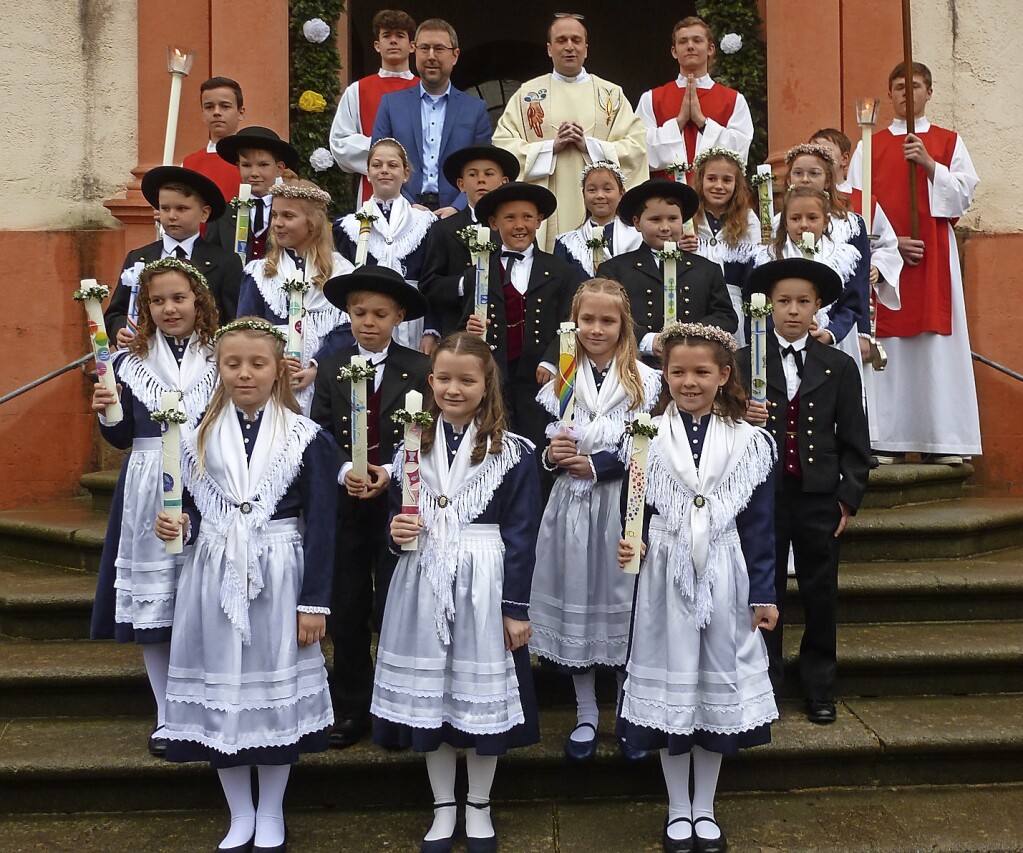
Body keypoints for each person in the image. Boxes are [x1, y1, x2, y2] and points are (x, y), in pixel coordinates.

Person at [155, 317, 337, 853]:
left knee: (273, 692)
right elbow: (186, 504)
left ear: (279, 368)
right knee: (223, 690)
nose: (244, 373)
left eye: (257, 363)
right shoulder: (193, 436)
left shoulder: (307, 437)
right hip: (212, 571)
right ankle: (239, 812)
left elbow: (324, 525)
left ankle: (272, 810)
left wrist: (315, 604)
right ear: (218, 368)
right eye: (232, 363)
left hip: (281, 572)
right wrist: (179, 524)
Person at [372, 332, 542, 853]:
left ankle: (479, 804)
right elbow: (396, 517)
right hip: (423, 576)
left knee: (480, 698)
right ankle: (443, 803)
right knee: (433, 699)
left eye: (467, 380)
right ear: (430, 382)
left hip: (485, 581)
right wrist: (396, 532)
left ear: (486, 383)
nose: (454, 388)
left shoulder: (512, 453)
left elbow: (522, 535)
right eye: (444, 378)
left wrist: (514, 608)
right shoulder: (409, 443)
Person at [616, 322, 778, 853]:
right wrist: (632, 540)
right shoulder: (644, 433)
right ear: (664, 374)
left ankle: (704, 807)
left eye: (701, 372)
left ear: (724, 375)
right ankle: (676, 808)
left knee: (711, 688)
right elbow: (633, 506)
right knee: (674, 688)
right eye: (678, 371)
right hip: (665, 567)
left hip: (725, 570)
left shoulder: (747, 440)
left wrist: (765, 592)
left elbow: (758, 523)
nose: (689, 381)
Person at [89, 259, 219, 757]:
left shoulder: (221, 356)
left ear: (198, 302)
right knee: (156, 603)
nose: (169, 308)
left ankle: (205, 702)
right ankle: (166, 711)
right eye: (157, 301)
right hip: (147, 483)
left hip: (209, 480)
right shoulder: (126, 364)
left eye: (178, 299)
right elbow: (123, 436)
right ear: (145, 308)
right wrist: (107, 410)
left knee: (203, 596)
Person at [530, 279, 661, 763]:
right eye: (588, 320)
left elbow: (654, 446)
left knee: (623, 602)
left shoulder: (647, 382)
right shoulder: (561, 380)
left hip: (624, 503)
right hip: (571, 504)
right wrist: (553, 454)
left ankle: (627, 707)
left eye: (608, 321)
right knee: (577, 599)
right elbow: (542, 450)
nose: (597, 329)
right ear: (574, 323)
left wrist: (602, 464)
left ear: (623, 324)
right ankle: (586, 711)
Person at [740, 258, 870, 725]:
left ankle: (819, 685)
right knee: (763, 589)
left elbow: (856, 441)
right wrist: (740, 420)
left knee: (820, 591)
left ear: (818, 307)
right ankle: (763, 681)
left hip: (817, 497)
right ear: (767, 306)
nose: (793, 311)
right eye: (783, 301)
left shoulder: (838, 365)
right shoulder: (743, 362)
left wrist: (847, 498)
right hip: (761, 498)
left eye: (803, 302)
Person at [310, 266, 431, 750]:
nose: (369, 322)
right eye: (360, 313)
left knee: (396, 604)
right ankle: (352, 705)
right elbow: (317, 433)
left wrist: (390, 471)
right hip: (346, 503)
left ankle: (398, 707)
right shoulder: (333, 364)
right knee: (348, 604)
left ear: (399, 316)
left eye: (380, 314)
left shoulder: (420, 369)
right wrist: (345, 471)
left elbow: (427, 434)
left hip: (399, 502)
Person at [848, 61, 981, 464]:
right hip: (887, 263)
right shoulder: (868, 145)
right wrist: (891, 244)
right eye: (900, 87)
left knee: (935, 347)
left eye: (917, 86)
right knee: (887, 344)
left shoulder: (947, 141)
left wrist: (928, 164)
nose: (909, 93)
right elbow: (857, 203)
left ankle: (942, 441)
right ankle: (887, 439)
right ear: (890, 95)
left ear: (930, 92)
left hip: (934, 259)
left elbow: (963, 196)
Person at [493, 14, 648, 251]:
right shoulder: (528, 94)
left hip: (600, 205)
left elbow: (636, 147)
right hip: (547, 204)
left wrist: (590, 146)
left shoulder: (610, 94)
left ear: (586, 48)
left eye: (576, 40)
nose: (569, 47)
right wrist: (548, 148)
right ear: (549, 48)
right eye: (561, 40)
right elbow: (503, 145)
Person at [462, 182, 578, 451]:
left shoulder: (561, 272)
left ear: (539, 221)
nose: (519, 225)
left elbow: (570, 323)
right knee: (496, 442)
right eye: (509, 218)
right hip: (495, 375)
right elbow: (463, 325)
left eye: (527, 217)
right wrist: (470, 328)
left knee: (537, 443)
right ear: (493, 222)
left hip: (540, 377)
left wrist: (552, 361)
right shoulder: (478, 272)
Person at [236, 178, 355, 414]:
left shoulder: (342, 271)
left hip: (324, 378)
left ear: (312, 224)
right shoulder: (260, 272)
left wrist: (316, 366)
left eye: (288, 217)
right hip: (273, 376)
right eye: (275, 215)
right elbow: (246, 327)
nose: (278, 224)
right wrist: (276, 361)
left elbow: (346, 328)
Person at [596, 179, 736, 367]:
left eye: (672, 219)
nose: (665, 227)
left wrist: (689, 335)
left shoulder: (707, 269)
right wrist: (647, 340)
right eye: (655, 220)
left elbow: (726, 317)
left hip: (693, 366)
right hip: (635, 366)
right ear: (637, 223)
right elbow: (604, 316)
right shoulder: (615, 269)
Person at [105, 166, 242, 340]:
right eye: (165, 208)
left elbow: (234, 316)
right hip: (149, 355)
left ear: (204, 213)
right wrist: (119, 330)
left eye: (182, 209)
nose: (172, 216)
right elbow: (116, 312)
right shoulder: (139, 258)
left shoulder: (225, 261)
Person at [753, 186, 866, 397]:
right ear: (785, 222)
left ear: (825, 221)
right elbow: (759, 305)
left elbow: (852, 304)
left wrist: (830, 333)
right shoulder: (768, 257)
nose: (804, 224)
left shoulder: (844, 256)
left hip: (833, 344)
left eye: (812, 217)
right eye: (796, 218)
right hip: (781, 344)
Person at [373, 18, 491, 215]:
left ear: (455, 55)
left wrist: (457, 207)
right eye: (424, 48)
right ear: (414, 50)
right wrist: (407, 204)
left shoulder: (474, 109)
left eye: (439, 49)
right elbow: (378, 160)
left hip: (457, 215)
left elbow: (483, 166)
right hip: (402, 211)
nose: (431, 56)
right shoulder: (391, 104)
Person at [334, 138, 437, 351]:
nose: (384, 171)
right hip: (366, 319)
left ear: (405, 173)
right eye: (377, 165)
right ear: (368, 172)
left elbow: (432, 280)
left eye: (392, 165)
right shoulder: (347, 227)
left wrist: (431, 329)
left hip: (412, 317)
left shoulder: (425, 223)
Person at [419, 144, 519, 339]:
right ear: (461, 185)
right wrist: (465, 283)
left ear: (504, 181)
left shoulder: (516, 229)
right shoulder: (444, 229)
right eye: (472, 175)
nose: (481, 179)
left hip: (507, 331)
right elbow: (429, 285)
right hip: (458, 332)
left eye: (489, 174)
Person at [637, 17, 754, 181]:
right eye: (683, 41)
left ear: (710, 49)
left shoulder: (733, 100)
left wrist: (702, 122)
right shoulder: (651, 99)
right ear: (674, 51)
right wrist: (679, 121)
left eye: (697, 40)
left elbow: (739, 151)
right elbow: (640, 150)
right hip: (665, 197)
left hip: (714, 197)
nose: (690, 46)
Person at [330, 9, 419, 204]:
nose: (393, 41)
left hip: (420, 189)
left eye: (400, 36)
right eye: (387, 36)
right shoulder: (358, 90)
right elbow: (340, 141)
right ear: (377, 46)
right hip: (372, 191)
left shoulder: (426, 91)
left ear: (412, 46)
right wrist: (384, 153)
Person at [686, 147, 760, 345]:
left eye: (727, 180)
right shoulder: (687, 216)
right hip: (693, 301)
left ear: (737, 184)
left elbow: (754, 266)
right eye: (711, 179)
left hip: (732, 303)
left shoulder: (748, 219)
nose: (719, 186)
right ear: (700, 181)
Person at [205, 126, 300, 265]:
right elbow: (211, 260)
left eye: (263, 165)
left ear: (279, 169)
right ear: (238, 167)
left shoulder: (292, 211)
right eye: (247, 165)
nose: (254, 173)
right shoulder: (222, 214)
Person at [553, 161, 643, 282]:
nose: (600, 195)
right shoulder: (567, 243)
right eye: (592, 190)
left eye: (607, 189)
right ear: (583, 194)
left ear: (621, 193)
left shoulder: (638, 238)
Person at [182, 77, 246, 208]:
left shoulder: (257, 161)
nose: (216, 112)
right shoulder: (188, 165)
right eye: (209, 107)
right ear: (203, 114)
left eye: (225, 106)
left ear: (240, 112)